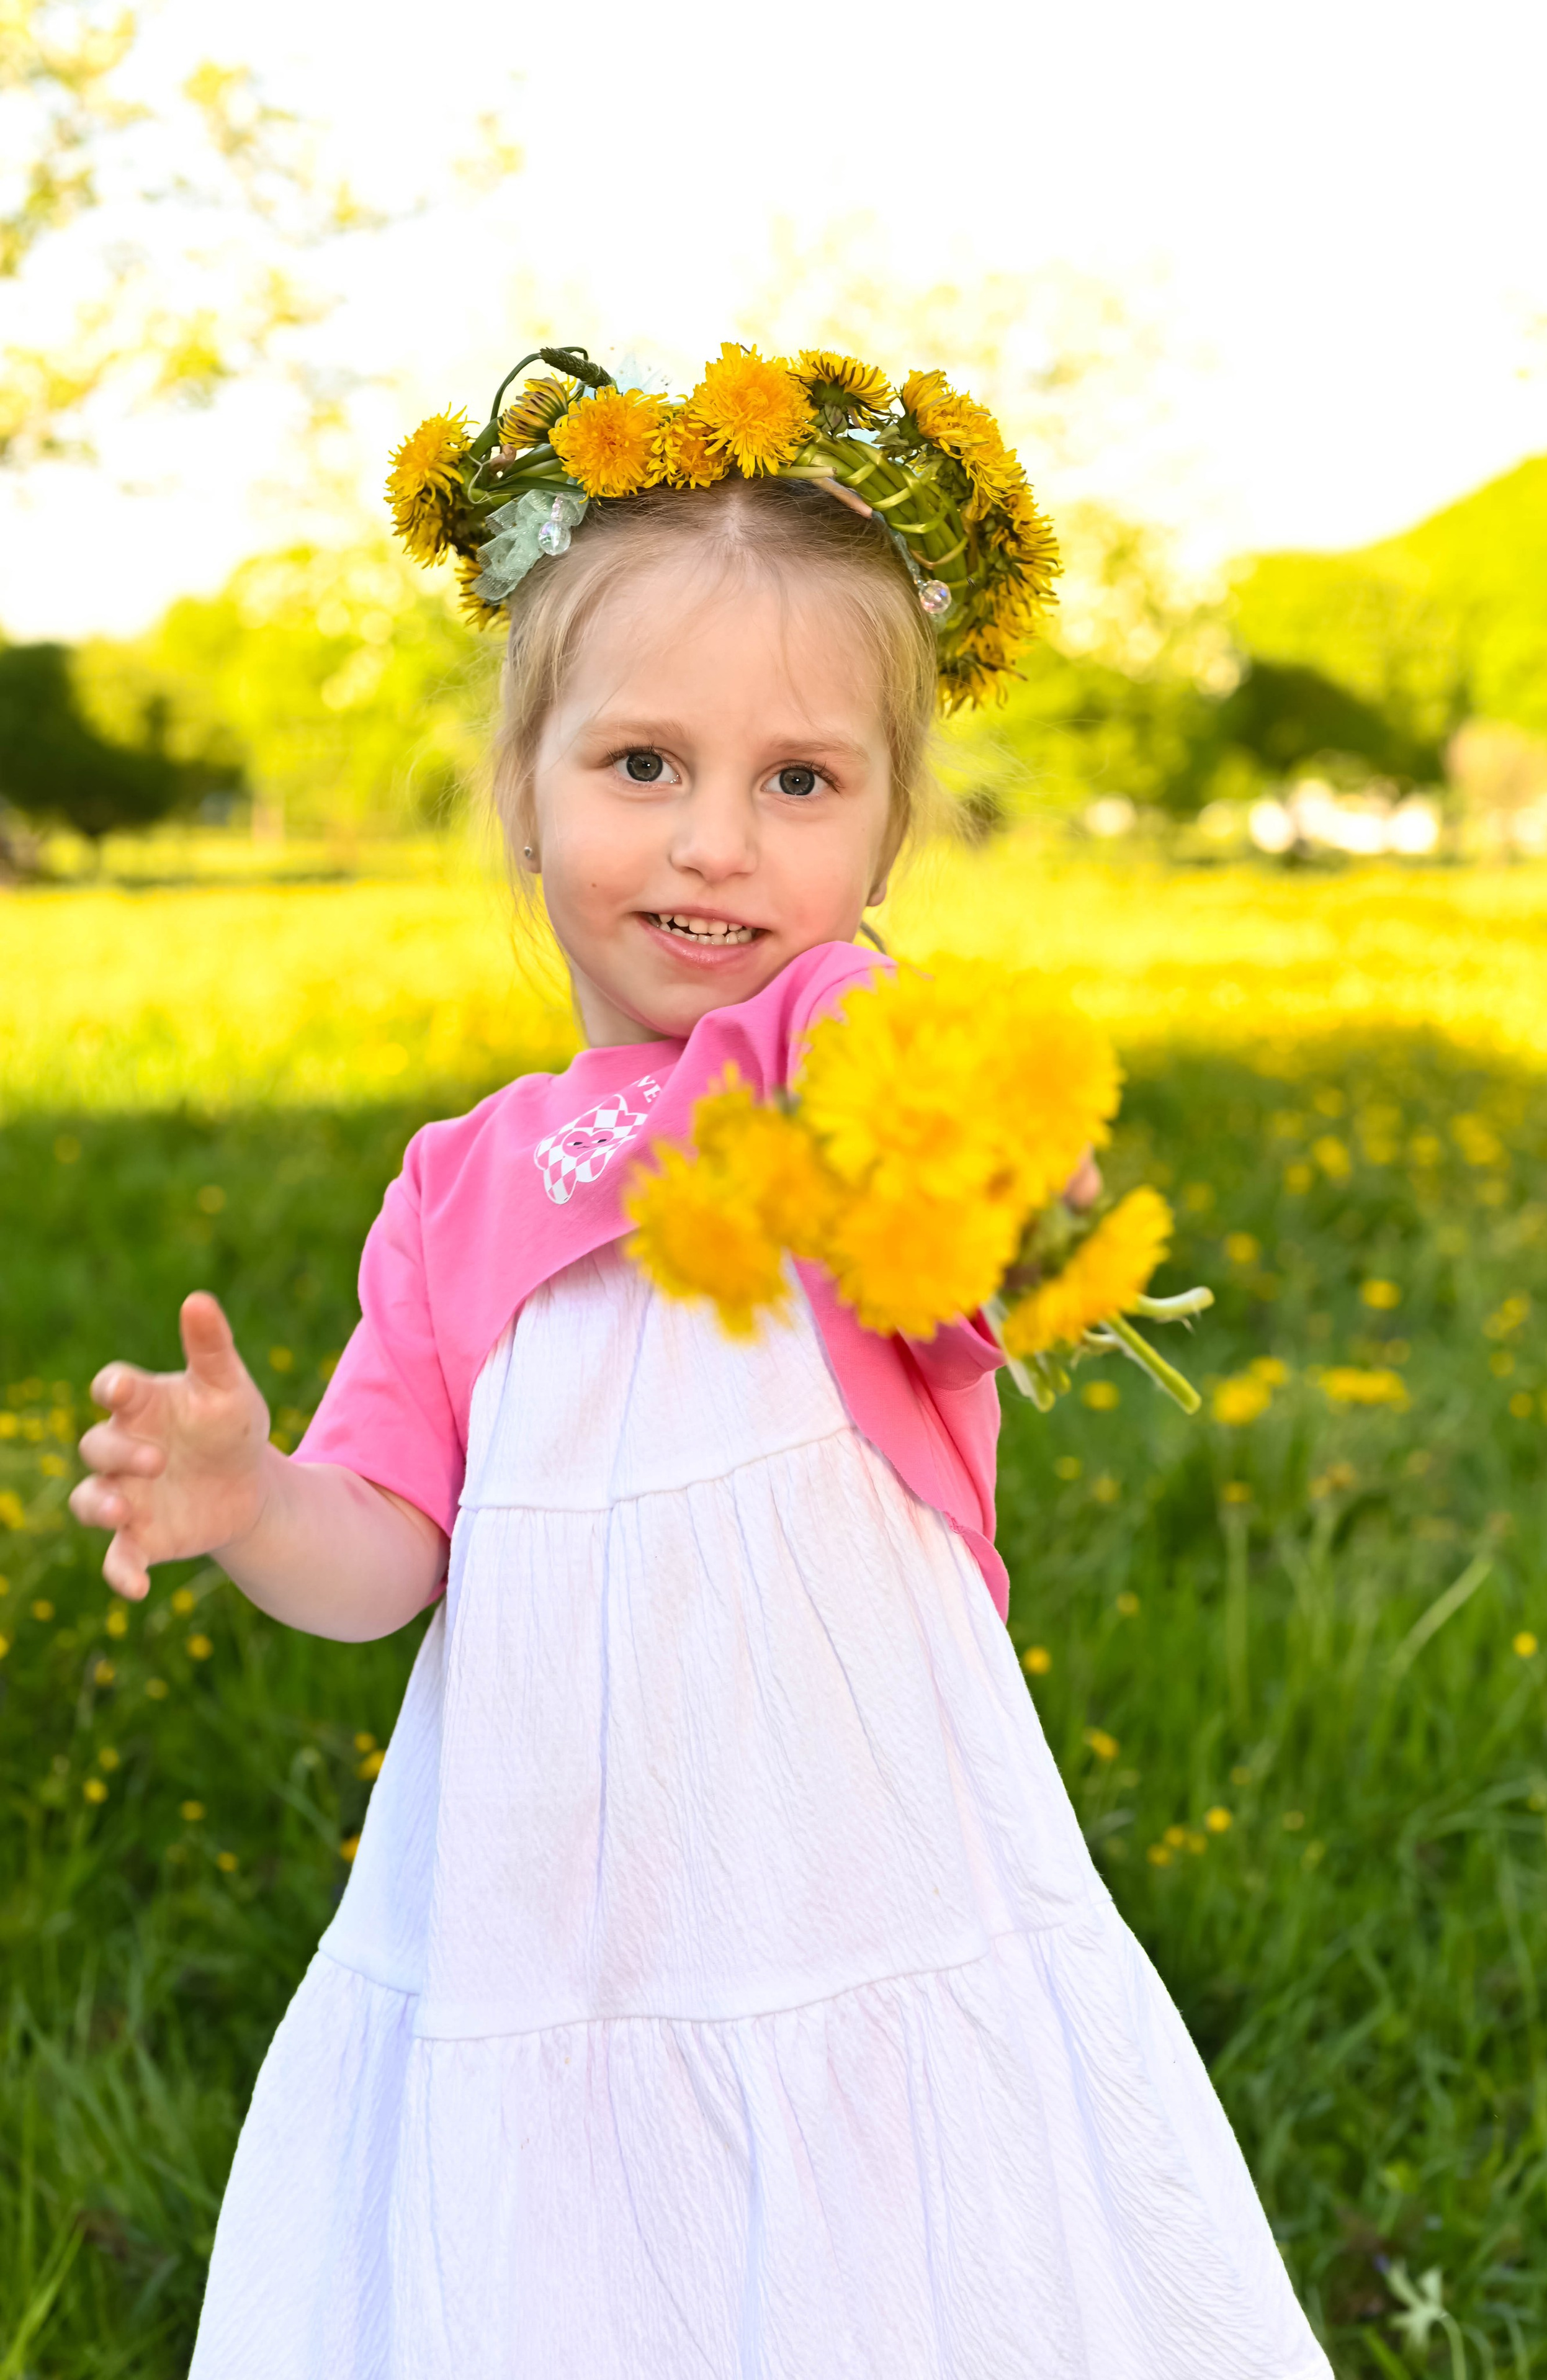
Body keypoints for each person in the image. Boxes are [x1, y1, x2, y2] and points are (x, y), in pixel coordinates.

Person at [71, 346, 1329, 2379]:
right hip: (555, 1919)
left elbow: (974, 1172)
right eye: (643, 764)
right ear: (527, 785)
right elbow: (388, 1550)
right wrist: (249, 1502)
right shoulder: (461, 1188)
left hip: (855, 1871)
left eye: (799, 781)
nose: (717, 842)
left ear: (886, 839)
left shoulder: (836, 1062)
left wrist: (999, 1162)